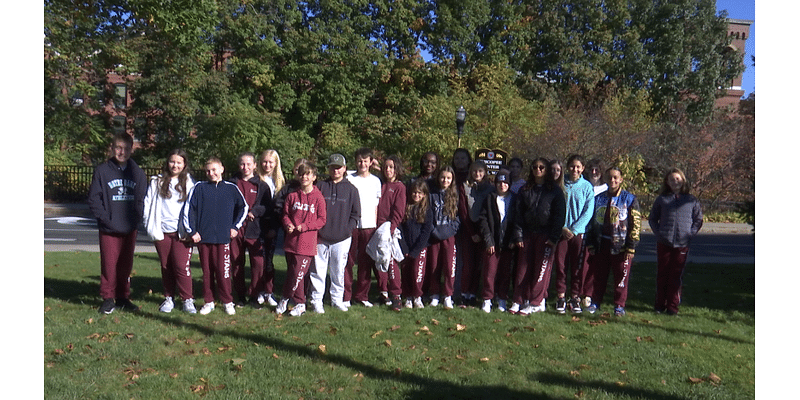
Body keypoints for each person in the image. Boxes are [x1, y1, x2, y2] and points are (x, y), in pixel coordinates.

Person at [88, 133, 147, 314]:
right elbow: (94, 199)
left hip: (129, 227)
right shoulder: (102, 171)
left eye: (126, 148)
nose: (122, 152)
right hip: (109, 228)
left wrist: (136, 218)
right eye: (118, 148)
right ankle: (108, 298)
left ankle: (122, 297)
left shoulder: (137, 172)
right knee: (109, 264)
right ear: (112, 148)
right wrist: (105, 219)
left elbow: (142, 199)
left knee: (125, 264)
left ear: (131, 149)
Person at [181, 157, 248, 316]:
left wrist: (235, 226)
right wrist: (192, 231)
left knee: (224, 272)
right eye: (208, 171)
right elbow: (189, 210)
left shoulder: (231, 188)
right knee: (207, 271)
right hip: (204, 239)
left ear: (222, 169)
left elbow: (243, 207)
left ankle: (227, 301)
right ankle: (209, 301)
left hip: (224, 239)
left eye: (214, 170)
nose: (211, 173)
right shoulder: (199, 188)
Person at [143, 149, 197, 314]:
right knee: (166, 266)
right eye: (172, 161)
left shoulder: (190, 184)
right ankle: (168, 298)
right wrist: (149, 226)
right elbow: (147, 205)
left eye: (179, 162)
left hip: (182, 234)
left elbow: (195, 208)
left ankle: (187, 299)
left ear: (184, 164)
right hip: (162, 232)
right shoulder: (157, 182)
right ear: (168, 162)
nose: (175, 165)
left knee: (181, 266)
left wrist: (192, 230)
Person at [510, 158, 566, 315]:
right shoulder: (525, 189)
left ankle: (536, 302)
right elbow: (518, 214)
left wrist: (554, 237)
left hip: (546, 235)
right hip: (527, 234)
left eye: (541, 167)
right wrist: (519, 236)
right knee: (523, 269)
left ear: (546, 170)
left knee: (541, 270)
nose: (538, 170)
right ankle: (518, 300)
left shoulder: (555, 191)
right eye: (535, 167)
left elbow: (559, 216)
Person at [583, 166, 642, 316]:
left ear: (621, 179)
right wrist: (590, 242)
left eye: (616, 177)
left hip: (621, 246)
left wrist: (631, 247)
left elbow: (636, 225)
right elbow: (591, 222)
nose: (613, 180)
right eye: (610, 177)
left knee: (621, 277)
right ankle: (595, 302)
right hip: (601, 243)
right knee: (599, 276)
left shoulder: (630, 199)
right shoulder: (599, 198)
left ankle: (619, 306)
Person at [309, 154, 361, 313]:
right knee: (318, 271)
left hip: (342, 238)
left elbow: (356, 214)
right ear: (328, 168)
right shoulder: (320, 186)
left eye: (338, 167)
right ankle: (316, 300)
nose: (335, 170)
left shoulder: (352, 189)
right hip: (321, 237)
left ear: (344, 169)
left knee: (338, 271)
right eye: (332, 167)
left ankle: (337, 299)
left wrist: (347, 230)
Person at [648, 168, 703, 315]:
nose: (675, 182)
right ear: (667, 182)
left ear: (683, 180)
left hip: (682, 244)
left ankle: (672, 307)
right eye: (672, 179)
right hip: (664, 242)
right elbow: (652, 218)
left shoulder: (691, 200)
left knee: (676, 276)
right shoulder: (662, 199)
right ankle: (659, 305)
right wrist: (659, 233)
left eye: (677, 179)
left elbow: (698, 219)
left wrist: (690, 234)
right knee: (662, 274)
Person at [276, 161, 326, 317]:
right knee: (291, 273)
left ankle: (300, 303)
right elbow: (285, 214)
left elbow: (322, 220)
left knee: (298, 274)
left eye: (308, 174)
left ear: (314, 177)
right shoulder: (292, 196)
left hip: (306, 244)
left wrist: (305, 226)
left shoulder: (318, 197)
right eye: (302, 174)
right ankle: (285, 299)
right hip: (291, 242)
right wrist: (288, 224)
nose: (304, 177)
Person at [230, 152, 273, 309]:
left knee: (258, 264)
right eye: (242, 164)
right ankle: (240, 296)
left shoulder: (262, 185)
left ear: (255, 165)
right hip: (235, 231)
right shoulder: (231, 183)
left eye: (249, 164)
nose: (245, 167)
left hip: (255, 231)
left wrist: (255, 212)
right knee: (236, 263)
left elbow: (267, 206)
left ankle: (255, 295)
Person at [552, 155, 595, 314]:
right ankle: (561, 297)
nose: (575, 170)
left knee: (577, 267)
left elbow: (588, 211)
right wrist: (563, 227)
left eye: (578, 167)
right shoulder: (560, 185)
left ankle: (575, 297)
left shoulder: (586, 187)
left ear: (583, 168)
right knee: (561, 266)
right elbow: (555, 209)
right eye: (572, 166)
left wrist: (575, 229)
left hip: (578, 234)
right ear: (567, 167)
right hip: (561, 232)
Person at [345, 148, 383, 307]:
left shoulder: (376, 181)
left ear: (371, 162)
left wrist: (374, 225)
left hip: (369, 226)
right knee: (347, 261)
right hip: (351, 225)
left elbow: (376, 205)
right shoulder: (349, 178)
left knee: (366, 263)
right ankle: (345, 296)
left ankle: (362, 296)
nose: (362, 164)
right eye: (360, 161)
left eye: (366, 161)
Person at [478, 171, 515, 313]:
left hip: (507, 242)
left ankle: (502, 299)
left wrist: (513, 239)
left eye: (505, 182)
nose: (502, 185)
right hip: (492, 241)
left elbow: (517, 220)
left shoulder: (515, 199)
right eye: (499, 182)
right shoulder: (489, 198)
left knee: (505, 272)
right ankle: (487, 299)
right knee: (489, 272)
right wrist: (488, 241)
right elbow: (483, 220)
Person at [458, 160, 494, 306]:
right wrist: (472, 232)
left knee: (479, 265)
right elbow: (463, 210)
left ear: (485, 172)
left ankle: (472, 294)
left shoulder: (490, 189)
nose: (477, 174)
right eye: (474, 171)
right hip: (468, 230)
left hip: (484, 230)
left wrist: (482, 233)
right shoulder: (464, 186)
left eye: (480, 171)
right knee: (468, 265)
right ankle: (463, 293)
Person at [425, 166, 461, 309]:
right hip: (434, 236)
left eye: (448, 178)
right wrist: (433, 230)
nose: (445, 180)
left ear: (452, 180)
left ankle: (447, 295)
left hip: (449, 236)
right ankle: (434, 295)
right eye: (442, 177)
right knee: (434, 266)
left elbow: (458, 218)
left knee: (449, 267)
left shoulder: (455, 195)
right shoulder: (432, 194)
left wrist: (450, 231)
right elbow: (428, 215)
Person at [374, 155, 407, 310]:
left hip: (389, 230)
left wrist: (391, 228)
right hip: (376, 229)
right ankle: (383, 292)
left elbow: (399, 211)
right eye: (386, 167)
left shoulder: (399, 187)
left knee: (391, 262)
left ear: (397, 169)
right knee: (379, 261)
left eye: (392, 167)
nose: (388, 170)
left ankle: (396, 295)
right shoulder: (379, 184)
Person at [254, 149, 285, 307]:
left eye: (270, 162)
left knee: (269, 261)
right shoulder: (256, 179)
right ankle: (258, 291)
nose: (267, 165)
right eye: (264, 161)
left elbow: (280, 207)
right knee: (258, 260)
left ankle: (269, 291)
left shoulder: (279, 181)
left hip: (272, 225)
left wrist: (276, 226)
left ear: (276, 163)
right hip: (256, 224)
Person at [399, 179, 434, 309]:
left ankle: (417, 296)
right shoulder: (406, 208)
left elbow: (426, 232)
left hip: (420, 248)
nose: (416, 195)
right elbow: (400, 229)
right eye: (414, 192)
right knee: (406, 271)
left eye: (419, 193)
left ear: (424, 194)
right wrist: (404, 247)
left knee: (417, 272)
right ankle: (408, 296)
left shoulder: (427, 211)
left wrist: (416, 250)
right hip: (406, 247)